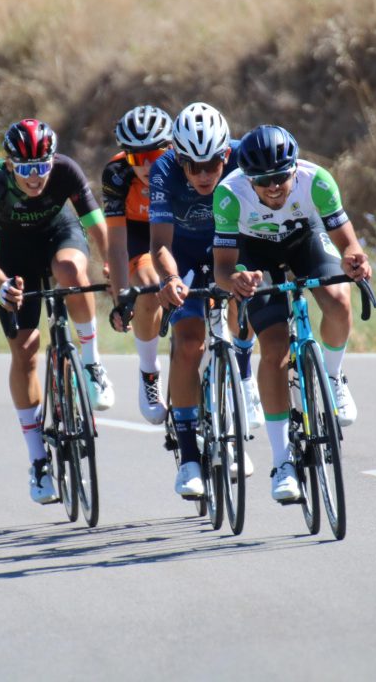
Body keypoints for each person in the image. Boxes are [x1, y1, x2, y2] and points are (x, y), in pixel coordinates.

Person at [212, 125, 372, 502]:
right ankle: (283, 461)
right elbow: (222, 268)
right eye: (263, 180)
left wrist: (355, 259)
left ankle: (332, 378)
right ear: (248, 177)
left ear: (294, 169)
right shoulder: (228, 195)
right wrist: (237, 280)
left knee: (337, 299)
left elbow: (347, 242)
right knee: (274, 350)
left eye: (281, 176)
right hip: (255, 254)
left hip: (304, 240)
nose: (273, 187)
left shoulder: (316, 182)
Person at [0, 118, 113, 505]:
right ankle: (38, 460)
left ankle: (91, 364)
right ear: (9, 166)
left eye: (42, 167)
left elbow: (98, 227)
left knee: (70, 271)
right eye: (26, 169)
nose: (36, 178)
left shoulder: (66, 170)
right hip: (12, 257)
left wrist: (112, 270)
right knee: (25, 351)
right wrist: (1, 284)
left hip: (59, 235)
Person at [149, 101, 262, 499]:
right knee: (190, 346)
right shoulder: (163, 170)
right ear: (179, 159)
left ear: (226, 156)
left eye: (211, 164)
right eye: (192, 166)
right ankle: (189, 456)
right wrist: (171, 279)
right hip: (184, 257)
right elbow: (159, 244)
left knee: (243, 297)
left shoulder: (243, 160)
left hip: (233, 249)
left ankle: (244, 377)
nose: (202, 174)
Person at [104, 105, 173, 425]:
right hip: (139, 234)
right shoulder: (117, 175)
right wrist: (122, 300)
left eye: (154, 155)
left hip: (177, 228)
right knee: (147, 285)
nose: (145, 166)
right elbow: (115, 244)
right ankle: (149, 372)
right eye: (136, 158)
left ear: (170, 148)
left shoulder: (185, 166)